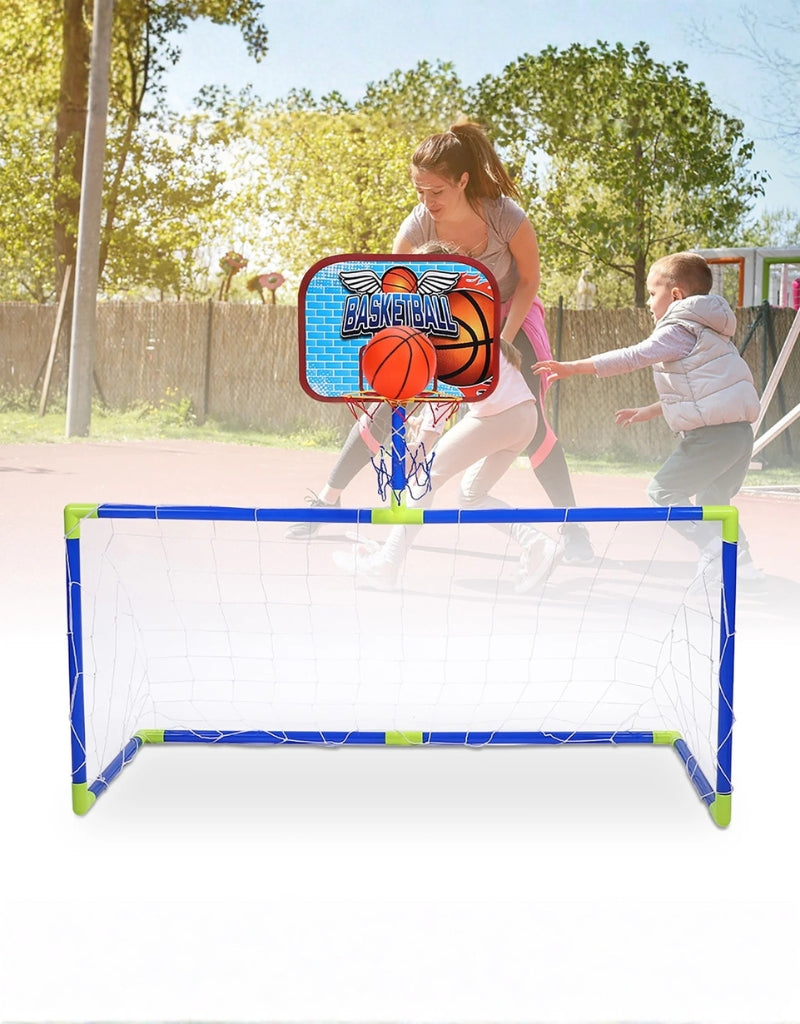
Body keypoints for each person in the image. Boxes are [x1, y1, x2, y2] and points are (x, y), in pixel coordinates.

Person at [286, 120, 593, 564]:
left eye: (437, 192)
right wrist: (387, 342)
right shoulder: (419, 223)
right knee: (390, 400)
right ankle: (327, 501)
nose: (427, 202)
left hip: (507, 317)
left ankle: (573, 526)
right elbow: (390, 285)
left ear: (463, 181)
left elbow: (528, 281)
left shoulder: (505, 216)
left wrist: (502, 341)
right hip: (443, 317)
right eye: (419, 192)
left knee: (532, 424)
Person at [532, 250, 763, 578]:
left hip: (711, 437)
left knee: (662, 493)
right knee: (715, 500)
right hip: (738, 435)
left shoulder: (678, 328)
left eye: (653, 294)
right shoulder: (712, 332)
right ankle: (745, 566)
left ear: (676, 295)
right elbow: (706, 392)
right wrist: (653, 410)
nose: (649, 303)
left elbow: (633, 356)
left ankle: (715, 553)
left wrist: (573, 367)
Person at [335, 329, 560, 593]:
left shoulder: (441, 337)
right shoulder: (477, 328)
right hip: (525, 418)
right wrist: (424, 437)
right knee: (471, 495)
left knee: (424, 479)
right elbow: (450, 395)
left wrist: (422, 446)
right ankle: (537, 545)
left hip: (498, 417)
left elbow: (440, 398)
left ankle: (387, 563)